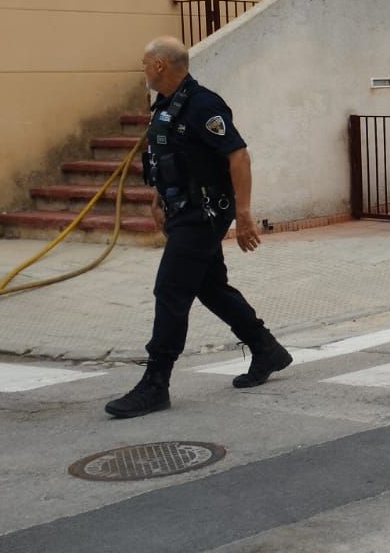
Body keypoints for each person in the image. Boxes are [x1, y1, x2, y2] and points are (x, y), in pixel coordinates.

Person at [104, 37, 292, 418]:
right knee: (210, 288)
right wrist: (159, 198)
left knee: (171, 289)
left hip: (204, 213)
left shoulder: (203, 105)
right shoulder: (165, 107)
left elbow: (238, 155)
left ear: (160, 65)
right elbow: (168, 156)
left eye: (144, 63)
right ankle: (266, 348)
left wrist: (244, 214)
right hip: (182, 210)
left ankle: (156, 383)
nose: (141, 69)